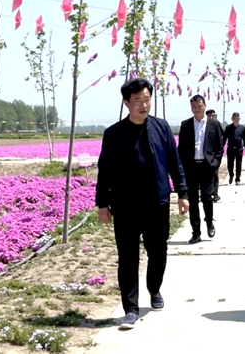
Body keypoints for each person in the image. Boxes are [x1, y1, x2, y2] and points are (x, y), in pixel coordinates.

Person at [95, 78, 190, 330]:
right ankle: (131, 308)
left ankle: (154, 289)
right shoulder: (113, 134)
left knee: (158, 252)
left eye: (147, 99)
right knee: (127, 258)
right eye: (137, 100)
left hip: (157, 203)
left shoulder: (161, 127)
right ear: (127, 103)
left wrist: (183, 193)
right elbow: (105, 171)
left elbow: (174, 162)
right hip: (125, 206)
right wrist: (102, 203)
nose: (143, 105)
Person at [178, 96, 224, 244]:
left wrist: (215, 163)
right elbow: (181, 148)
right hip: (191, 167)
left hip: (207, 167)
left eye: (199, 106)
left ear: (204, 106)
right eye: (194, 106)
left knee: (206, 197)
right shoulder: (185, 125)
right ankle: (196, 232)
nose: (196, 109)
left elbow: (219, 147)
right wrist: (182, 166)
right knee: (192, 200)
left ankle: (209, 222)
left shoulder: (214, 124)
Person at [223, 112, 245, 185]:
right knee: (230, 164)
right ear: (232, 119)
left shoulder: (242, 128)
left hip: (239, 148)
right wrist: (222, 146)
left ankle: (237, 179)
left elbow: (244, 138)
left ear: (239, 119)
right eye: (234, 118)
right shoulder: (228, 127)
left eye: (237, 118)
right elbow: (225, 138)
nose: (236, 119)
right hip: (230, 148)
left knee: (238, 164)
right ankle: (231, 174)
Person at [206, 109, 222, 203]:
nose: (211, 117)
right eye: (210, 115)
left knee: (214, 175)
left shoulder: (216, 124)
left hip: (213, 156)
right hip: (204, 156)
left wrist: (217, 158)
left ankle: (215, 194)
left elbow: (222, 136)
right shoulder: (202, 125)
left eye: (213, 115)